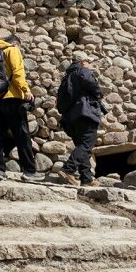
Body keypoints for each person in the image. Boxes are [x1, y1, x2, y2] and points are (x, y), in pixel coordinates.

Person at [0, 35, 44, 182]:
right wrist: (26, 90)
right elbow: (17, 73)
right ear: (16, 43)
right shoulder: (12, 50)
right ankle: (29, 172)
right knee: (22, 135)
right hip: (11, 98)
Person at [58, 58, 105, 187]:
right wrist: (99, 94)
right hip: (85, 114)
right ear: (83, 62)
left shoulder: (66, 78)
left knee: (83, 147)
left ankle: (86, 177)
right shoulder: (83, 71)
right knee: (86, 145)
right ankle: (68, 169)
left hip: (70, 118)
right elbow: (92, 84)